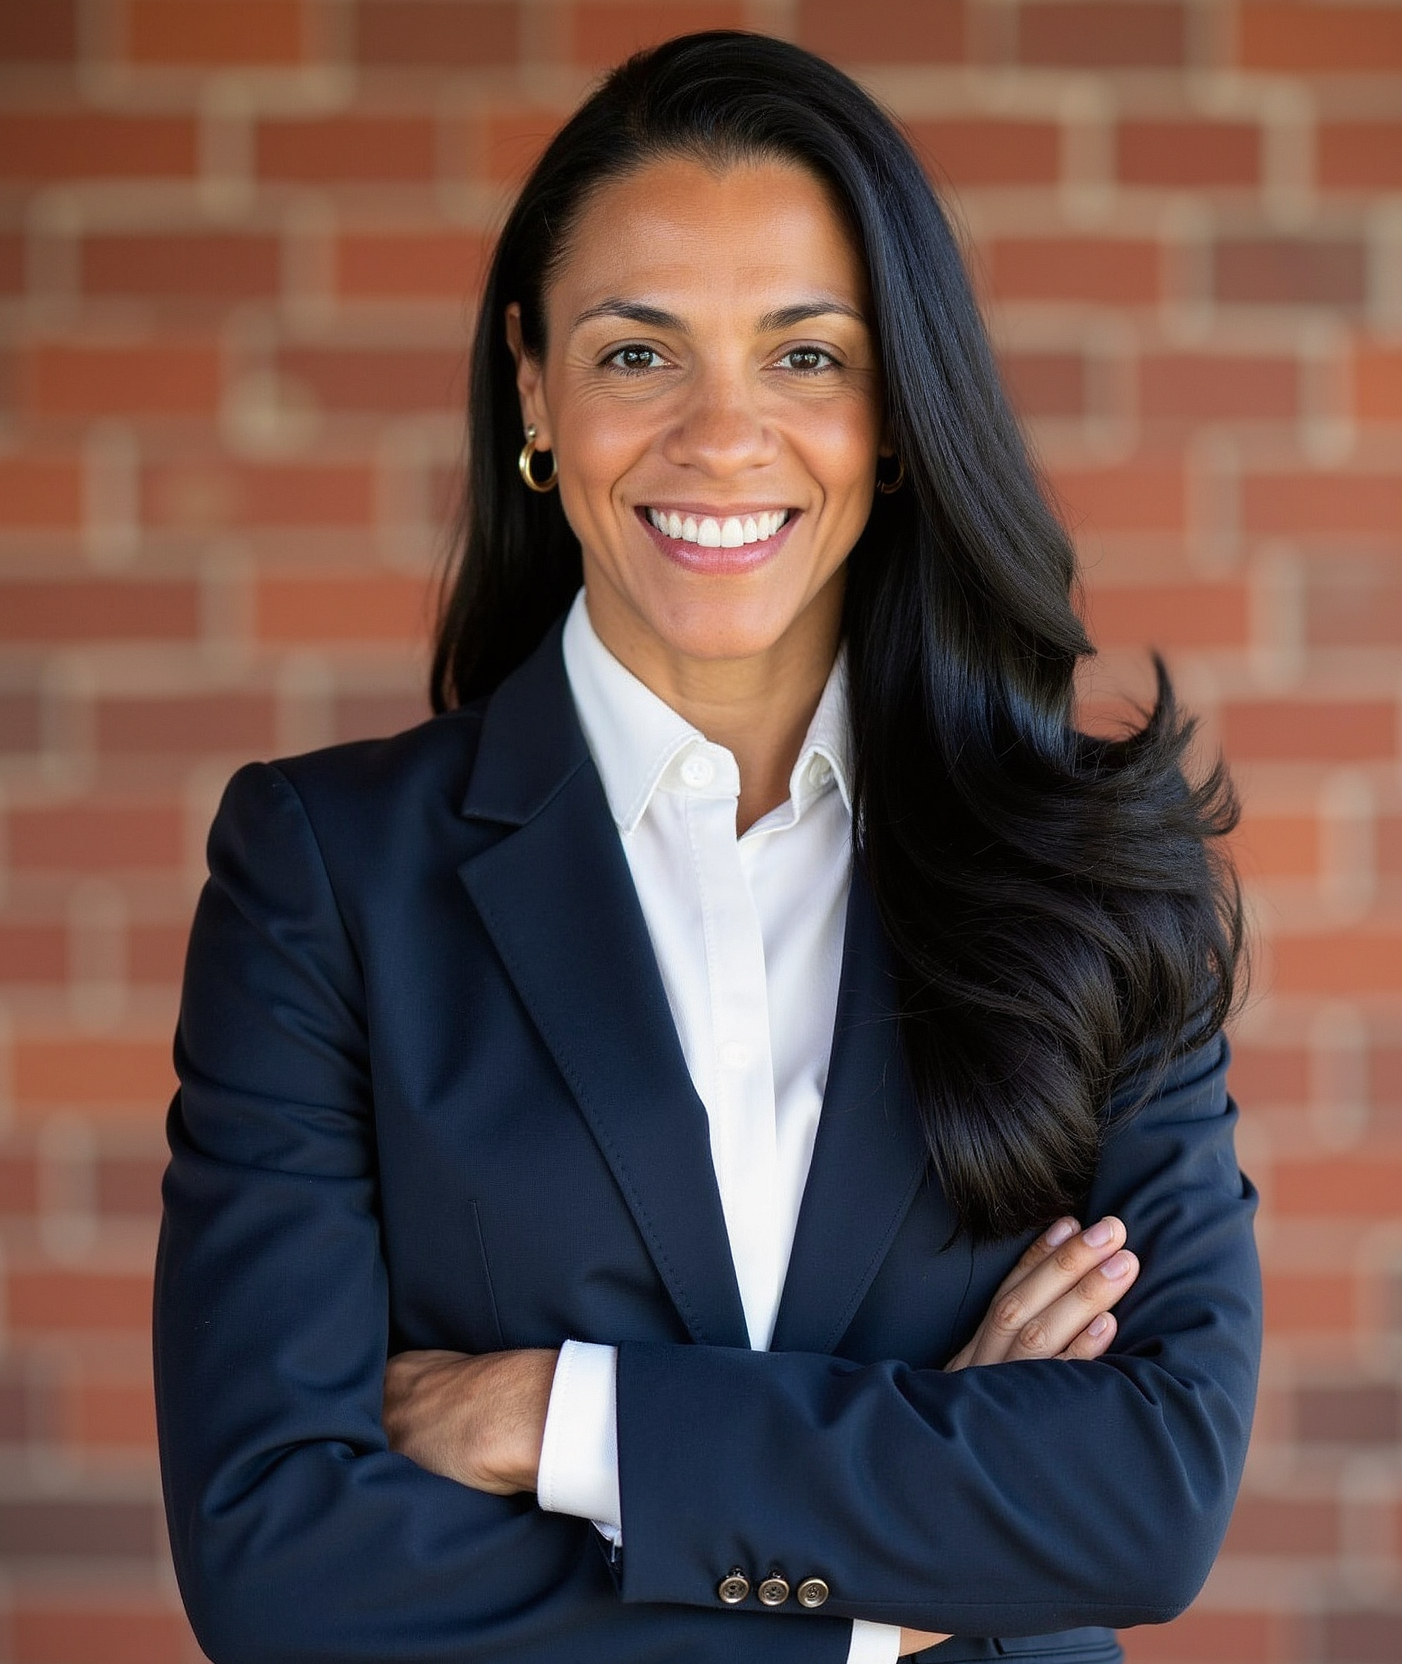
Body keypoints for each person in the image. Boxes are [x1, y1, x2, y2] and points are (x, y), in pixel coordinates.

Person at [153, 31, 1259, 1664]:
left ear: (898, 408)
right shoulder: (327, 873)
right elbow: (277, 1561)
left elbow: (1150, 1493)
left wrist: (565, 1418)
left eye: (807, 356)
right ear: (534, 383)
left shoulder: (1090, 861)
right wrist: (889, 1596)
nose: (724, 438)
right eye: (638, 355)